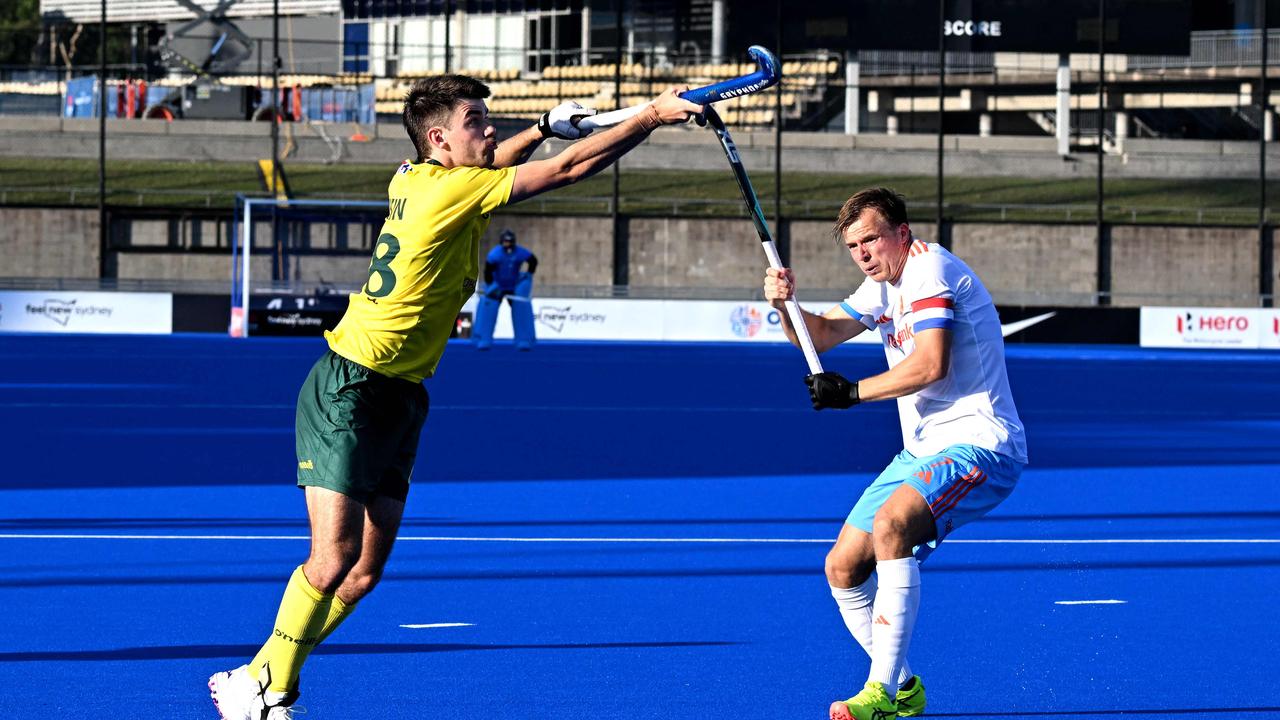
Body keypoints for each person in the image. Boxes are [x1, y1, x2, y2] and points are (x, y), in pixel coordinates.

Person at [208, 77, 703, 719]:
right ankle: (269, 687)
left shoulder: (415, 177)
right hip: (350, 386)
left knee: (363, 573)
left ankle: (259, 678)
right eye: (476, 120)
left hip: (402, 395)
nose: (490, 130)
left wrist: (545, 125)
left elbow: (501, 161)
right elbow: (571, 170)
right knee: (332, 561)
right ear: (439, 136)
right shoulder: (449, 190)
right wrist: (654, 116)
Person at [762, 187, 1028, 720]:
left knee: (891, 525)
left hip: (979, 443)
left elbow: (931, 365)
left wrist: (852, 393)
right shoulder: (881, 285)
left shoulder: (931, 271)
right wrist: (784, 306)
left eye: (871, 240)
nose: (862, 253)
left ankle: (879, 692)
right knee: (841, 567)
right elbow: (820, 335)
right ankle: (905, 688)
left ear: (901, 234)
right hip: (922, 450)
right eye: (853, 246)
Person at [474, 228, 538, 350]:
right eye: (505, 242)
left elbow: (533, 260)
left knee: (521, 310)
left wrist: (528, 275)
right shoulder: (495, 254)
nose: (507, 245)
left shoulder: (519, 252)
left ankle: (523, 340)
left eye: (509, 242)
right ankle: (483, 339)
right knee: (488, 309)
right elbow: (487, 272)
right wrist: (492, 286)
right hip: (497, 285)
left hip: (513, 286)